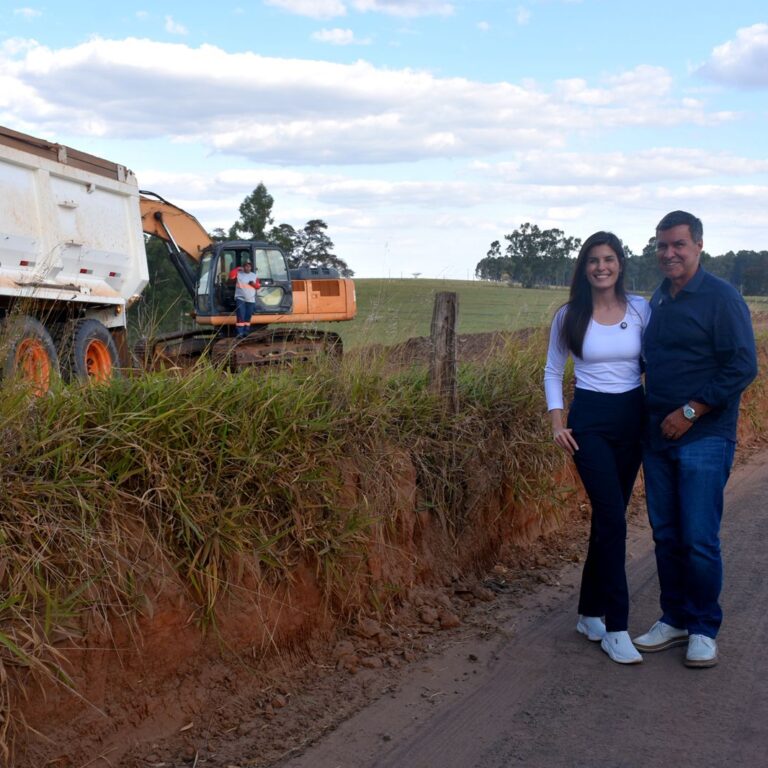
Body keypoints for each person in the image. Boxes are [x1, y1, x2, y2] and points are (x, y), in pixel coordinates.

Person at [633, 210, 757, 668]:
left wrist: (691, 411)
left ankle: (704, 627)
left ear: (699, 246)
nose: (669, 254)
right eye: (662, 245)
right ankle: (675, 618)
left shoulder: (721, 299)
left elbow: (743, 366)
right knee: (666, 535)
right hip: (657, 437)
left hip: (704, 436)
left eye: (678, 245)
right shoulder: (658, 300)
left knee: (699, 537)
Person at [544, 231, 651, 665]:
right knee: (611, 517)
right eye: (592, 260)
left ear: (620, 264)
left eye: (608, 259)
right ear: (583, 267)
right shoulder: (570, 315)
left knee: (610, 519)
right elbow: (553, 370)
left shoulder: (642, 309)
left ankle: (589, 612)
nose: (600, 266)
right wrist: (557, 421)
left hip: (634, 420)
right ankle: (616, 625)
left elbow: (656, 363)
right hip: (589, 424)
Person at [234, 261, 260, 338]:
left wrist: (253, 284)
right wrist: (238, 268)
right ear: (243, 267)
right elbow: (231, 275)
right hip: (240, 298)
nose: (247, 267)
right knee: (240, 316)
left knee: (248, 317)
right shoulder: (239, 274)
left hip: (251, 300)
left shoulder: (254, 276)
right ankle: (240, 333)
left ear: (251, 267)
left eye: (249, 266)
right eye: (246, 266)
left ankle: (246, 332)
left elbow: (258, 286)